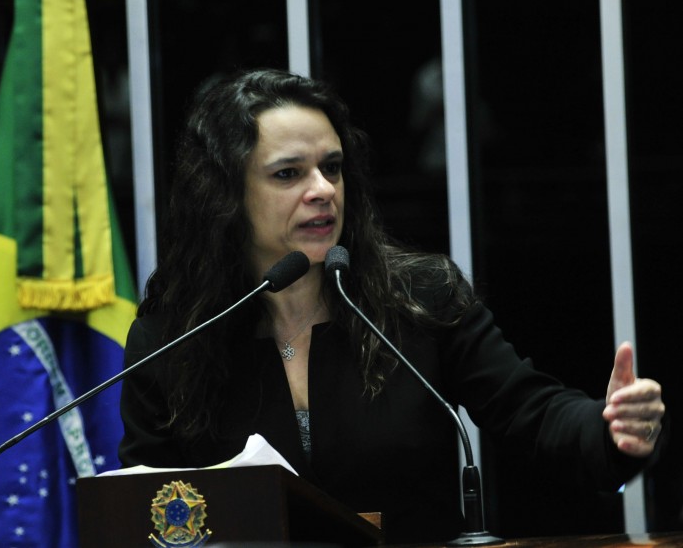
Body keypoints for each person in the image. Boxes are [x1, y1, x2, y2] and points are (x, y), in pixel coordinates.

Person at [117, 67, 666, 543]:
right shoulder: (173, 339)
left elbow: (532, 412)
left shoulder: (417, 299)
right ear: (224, 195)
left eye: (332, 168)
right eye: (288, 173)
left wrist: (609, 428)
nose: (323, 190)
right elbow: (144, 511)